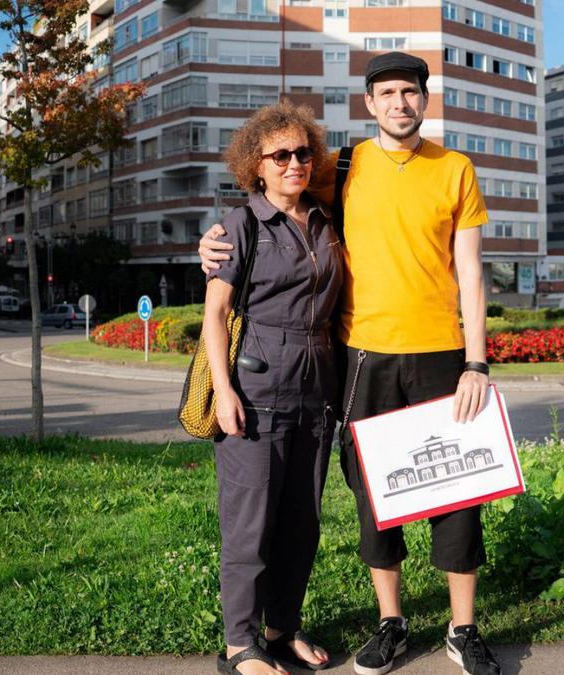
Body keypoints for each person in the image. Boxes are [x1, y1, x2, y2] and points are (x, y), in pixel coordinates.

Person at [201, 53, 501, 675]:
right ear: (369, 104)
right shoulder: (342, 166)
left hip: (440, 355)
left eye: (410, 92)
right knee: (375, 495)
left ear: (424, 98)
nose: (399, 103)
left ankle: (462, 629)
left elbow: (472, 272)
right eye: (386, 93)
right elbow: (265, 197)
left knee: (460, 491)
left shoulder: (456, 168)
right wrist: (208, 243)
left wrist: (478, 362)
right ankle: (388, 624)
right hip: (361, 357)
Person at [203, 100, 341, 675]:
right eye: (279, 155)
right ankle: (240, 645)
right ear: (254, 166)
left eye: (303, 153)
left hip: (318, 389)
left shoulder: (327, 218)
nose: (294, 163)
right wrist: (223, 390)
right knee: (250, 522)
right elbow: (216, 315)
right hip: (256, 390)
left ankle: (282, 629)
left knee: (301, 521)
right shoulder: (239, 225)